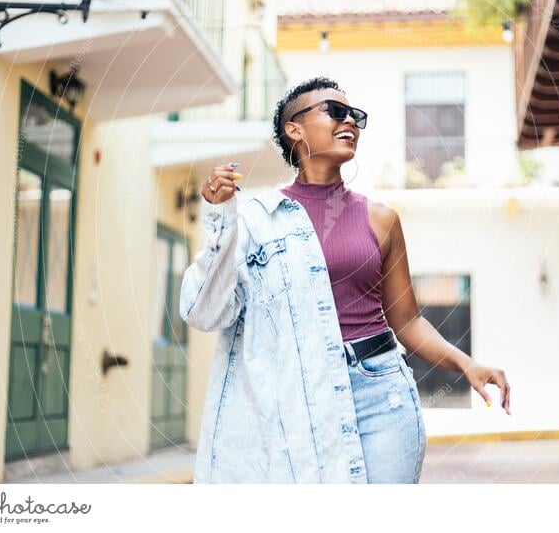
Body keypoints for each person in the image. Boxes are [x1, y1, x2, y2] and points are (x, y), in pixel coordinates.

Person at [181, 77, 511, 484]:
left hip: (382, 394)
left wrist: (467, 363)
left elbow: (406, 322)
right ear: (294, 128)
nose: (350, 122)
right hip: (301, 396)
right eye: (335, 112)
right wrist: (219, 220)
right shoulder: (256, 218)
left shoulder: (381, 219)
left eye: (355, 116)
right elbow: (205, 311)